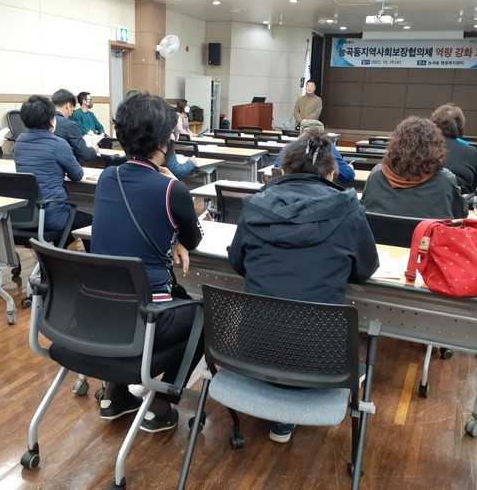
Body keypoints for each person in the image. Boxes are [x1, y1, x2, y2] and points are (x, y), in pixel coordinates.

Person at [228, 129, 379, 444]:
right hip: (320, 362)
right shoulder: (350, 211)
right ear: (332, 173)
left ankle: (281, 414)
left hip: (251, 354)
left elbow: (238, 263)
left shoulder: (254, 206)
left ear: (283, 170)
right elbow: (364, 271)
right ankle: (285, 415)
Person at [91, 91, 203, 432]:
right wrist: (178, 236)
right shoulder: (171, 190)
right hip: (147, 318)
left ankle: (115, 395)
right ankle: (160, 404)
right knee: (204, 315)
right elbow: (194, 238)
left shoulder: (107, 178)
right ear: (164, 141)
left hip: (98, 314)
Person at [13, 95, 93, 241]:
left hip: (26, 215)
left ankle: (54, 253)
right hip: (53, 216)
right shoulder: (58, 144)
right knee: (91, 220)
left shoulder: (19, 142)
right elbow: (77, 175)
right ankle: (64, 253)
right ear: (51, 119)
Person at [361, 116, 468, 219]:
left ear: (395, 143)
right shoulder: (446, 180)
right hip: (427, 232)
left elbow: (363, 207)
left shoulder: (376, 174)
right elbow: (460, 215)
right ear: (436, 146)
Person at [272, 119, 355, 183]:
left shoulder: (288, 148)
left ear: (299, 136)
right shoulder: (328, 148)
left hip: (289, 192)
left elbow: (277, 171)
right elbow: (348, 176)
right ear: (323, 137)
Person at [430, 103, 477, 194]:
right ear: (460, 126)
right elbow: (474, 185)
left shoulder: (424, 148)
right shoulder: (471, 152)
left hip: (427, 200)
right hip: (460, 200)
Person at [51, 89, 99, 164]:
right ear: (68, 106)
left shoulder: (44, 122)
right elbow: (85, 154)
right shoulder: (70, 126)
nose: (71, 113)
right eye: (72, 108)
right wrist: (94, 149)